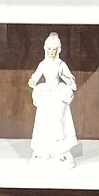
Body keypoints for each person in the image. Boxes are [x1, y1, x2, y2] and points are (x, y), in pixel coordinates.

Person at [29, 32, 78, 164]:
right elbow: (34, 77)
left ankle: (59, 149)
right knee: (43, 117)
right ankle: (44, 149)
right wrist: (33, 82)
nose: (51, 52)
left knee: (58, 116)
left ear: (58, 50)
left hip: (58, 91)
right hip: (46, 92)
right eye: (49, 49)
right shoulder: (43, 64)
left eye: (54, 49)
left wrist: (64, 76)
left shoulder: (61, 64)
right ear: (45, 49)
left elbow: (71, 81)